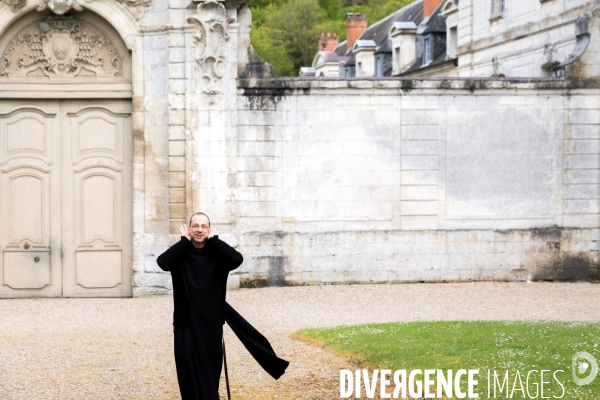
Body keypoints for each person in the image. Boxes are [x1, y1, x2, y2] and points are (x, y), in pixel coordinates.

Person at [157, 212, 288, 400]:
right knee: (187, 376)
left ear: (209, 229)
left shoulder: (217, 256)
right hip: (184, 325)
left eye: (204, 226)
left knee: (210, 375)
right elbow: (162, 262)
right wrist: (183, 242)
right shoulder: (180, 255)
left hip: (210, 325)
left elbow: (237, 259)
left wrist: (215, 242)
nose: (199, 230)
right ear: (189, 228)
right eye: (195, 226)